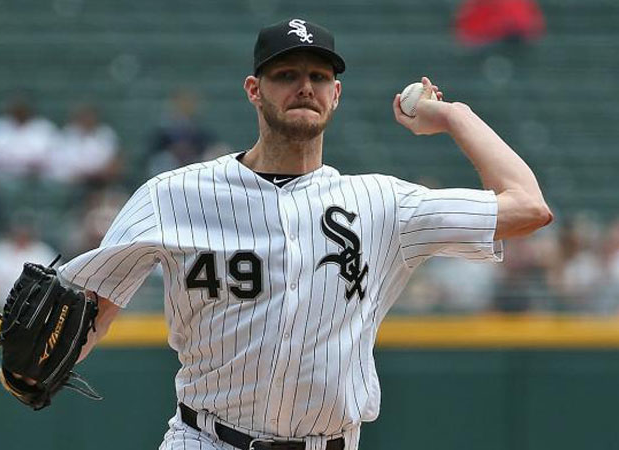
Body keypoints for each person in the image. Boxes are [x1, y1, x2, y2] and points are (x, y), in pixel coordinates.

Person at [57, 18, 552, 450]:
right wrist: (26, 372)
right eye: (286, 75)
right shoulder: (174, 194)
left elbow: (528, 207)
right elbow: (91, 311)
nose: (305, 87)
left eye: (319, 76)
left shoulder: (383, 204)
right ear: (255, 89)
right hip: (205, 438)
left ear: (335, 94)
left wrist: (453, 116)